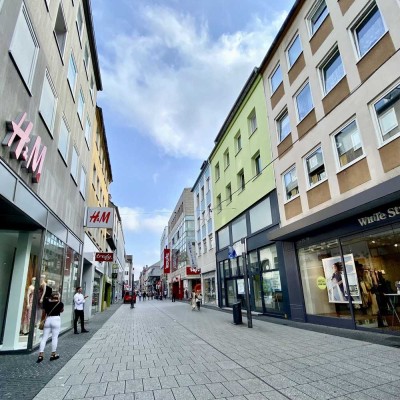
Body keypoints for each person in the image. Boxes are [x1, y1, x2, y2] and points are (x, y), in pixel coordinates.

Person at [36, 292, 64, 363]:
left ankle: (40, 354)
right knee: (54, 337)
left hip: (48, 319)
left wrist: (42, 320)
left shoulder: (47, 303)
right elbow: (62, 310)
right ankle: (53, 354)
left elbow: (44, 313)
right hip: (56, 319)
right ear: (57, 297)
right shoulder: (60, 303)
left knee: (44, 338)